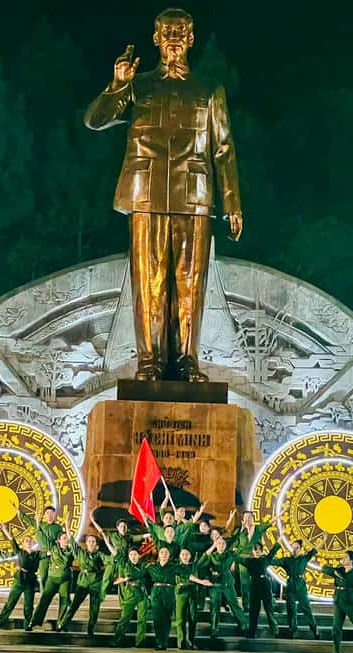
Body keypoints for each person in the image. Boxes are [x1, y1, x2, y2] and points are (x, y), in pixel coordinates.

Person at [84, 7, 243, 383]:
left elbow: (223, 149)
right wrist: (117, 84)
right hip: (146, 194)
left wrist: (232, 202)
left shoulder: (208, 91)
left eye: (180, 30)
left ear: (190, 38)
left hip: (195, 195)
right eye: (166, 30)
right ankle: (150, 362)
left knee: (190, 283)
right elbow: (95, 119)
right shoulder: (138, 85)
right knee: (149, 281)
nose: (173, 36)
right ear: (156, 38)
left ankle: (188, 361)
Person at [56, 534, 108, 636]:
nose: (91, 543)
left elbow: (110, 560)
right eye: (89, 541)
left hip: (95, 582)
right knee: (74, 605)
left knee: (94, 608)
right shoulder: (80, 553)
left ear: (96, 544)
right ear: (86, 543)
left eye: (93, 541)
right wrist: (67, 527)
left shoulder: (99, 555)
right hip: (83, 582)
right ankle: (62, 624)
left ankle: (90, 629)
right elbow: (73, 542)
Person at [322, 550, 353, 653]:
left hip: (349, 602)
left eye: (345, 557)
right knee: (336, 627)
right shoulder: (340, 570)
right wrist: (335, 572)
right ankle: (336, 650)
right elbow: (324, 568)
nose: (343, 559)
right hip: (338, 601)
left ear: (351, 560)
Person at [268, 541, 319, 639]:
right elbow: (272, 561)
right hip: (290, 586)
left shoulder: (304, 558)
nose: (294, 550)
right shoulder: (287, 560)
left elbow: (314, 550)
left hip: (301, 587)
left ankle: (314, 630)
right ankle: (292, 630)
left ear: (300, 548)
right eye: (293, 548)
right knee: (291, 610)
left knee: (307, 609)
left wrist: (323, 540)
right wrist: (268, 554)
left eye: (296, 548)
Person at [0, 523, 41, 631]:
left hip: (30, 581)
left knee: (28, 605)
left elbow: (48, 553)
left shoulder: (37, 554)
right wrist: (5, 530)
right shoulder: (20, 552)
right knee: (11, 602)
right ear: (23, 544)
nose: (29, 542)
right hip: (19, 580)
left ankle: (27, 625)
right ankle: (1, 621)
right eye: (26, 541)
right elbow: (12, 540)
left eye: (30, 541)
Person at [91, 512, 145, 598]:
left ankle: (123, 599)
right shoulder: (112, 536)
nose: (123, 528)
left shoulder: (129, 537)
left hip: (123, 562)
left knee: (123, 580)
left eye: (125, 526)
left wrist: (149, 535)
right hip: (113, 561)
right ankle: (100, 598)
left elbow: (140, 536)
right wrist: (93, 521)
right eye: (121, 526)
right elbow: (101, 531)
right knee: (106, 580)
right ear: (117, 528)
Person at [204, 535, 248, 638]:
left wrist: (244, 531)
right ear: (215, 544)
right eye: (219, 543)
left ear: (226, 545)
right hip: (215, 584)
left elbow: (242, 547)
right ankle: (214, 628)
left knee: (234, 605)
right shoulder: (211, 555)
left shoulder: (230, 554)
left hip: (228, 583)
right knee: (215, 607)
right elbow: (202, 564)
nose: (221, 545)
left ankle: (244, 626)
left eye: (223, 543)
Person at [230, 511, 275, 610]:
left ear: (253, 519)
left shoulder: (258, 529)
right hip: (243, 561)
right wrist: (233, 561)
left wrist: (281, 513)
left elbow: (270, 523)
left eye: (250, 517)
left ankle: (268, 603)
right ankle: (246, 606)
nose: (247, 519)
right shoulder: (240, 532)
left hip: (256, 560)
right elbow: (234, 546)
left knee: (259, 582)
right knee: (244, 584)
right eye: (245, 517)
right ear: (242, 520)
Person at [30, 529, 74, 628]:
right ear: (58, 540)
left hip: (65, 579)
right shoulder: (53, 548)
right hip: (52, 578)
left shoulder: (72, 550)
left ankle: (61, 624)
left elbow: (69, 559)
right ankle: (35, 622)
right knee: (45, 599)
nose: (66, 540)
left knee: (64, 600)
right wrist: (38, 525)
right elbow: (42, 537)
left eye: (67, 538)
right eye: (64, 538)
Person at [239, 542, 280, 638]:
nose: (257, 551)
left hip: (265, 584)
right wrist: (233, 552)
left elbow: (273, 551)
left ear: (261, 550)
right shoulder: (249, 561)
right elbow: (238, 558)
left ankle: (275, 631)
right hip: (254, 585)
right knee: (254, 610)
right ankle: (252, 632)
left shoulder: (265, 559)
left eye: (259, 549)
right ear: (253, 551)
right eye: (255, 549)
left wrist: (279, 541)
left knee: (269, 609)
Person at [17, 504, 64, 586]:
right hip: (43, 554)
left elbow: (61, 540)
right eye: (47, 513)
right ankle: (43, 595)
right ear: (45, 515)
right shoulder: (40, 524)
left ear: (54, 515)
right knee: (43, 577)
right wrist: (18, 511)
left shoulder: (58, 527)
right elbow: (27, 519)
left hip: (54, 554)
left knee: (56, 576)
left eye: (51, 513)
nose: (49, 515)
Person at [112, 548, 149, 648]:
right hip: (130, 593)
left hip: (141, 594)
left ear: (139, 556)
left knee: (142, 619)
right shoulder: (125, 565)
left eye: (135, 554)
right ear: (128, 556)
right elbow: (114, 581)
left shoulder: (143, 566)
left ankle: (140, 642)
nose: (133, 556)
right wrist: (125, 579)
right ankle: (117, 640)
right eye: (131, 555)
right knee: (125, 618)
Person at [145, 547, 178, 650]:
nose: (164, 554)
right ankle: (159, 642)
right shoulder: (151, 567)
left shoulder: (174, 566)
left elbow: (187, 573)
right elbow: (140, 574)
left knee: (167, 618)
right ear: (159, 554)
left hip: (169, 591)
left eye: (166, 553)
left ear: (169, 555)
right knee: (157, 618)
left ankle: (165, 642)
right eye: (162, 552)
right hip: (156, 591)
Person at [174, 547, 206, 649]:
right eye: (183, 554)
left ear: (190, 556)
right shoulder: (177, 567)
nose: (185, 556)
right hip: (181, 592)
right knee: (180, 619)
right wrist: (201, 581)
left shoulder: (194, 566)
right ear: (179, 556)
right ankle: (181, 642)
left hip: (192, 592)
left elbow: (205, 556)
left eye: (187, 554)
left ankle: (191, 641)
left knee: (193, 618)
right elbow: (187, 575)